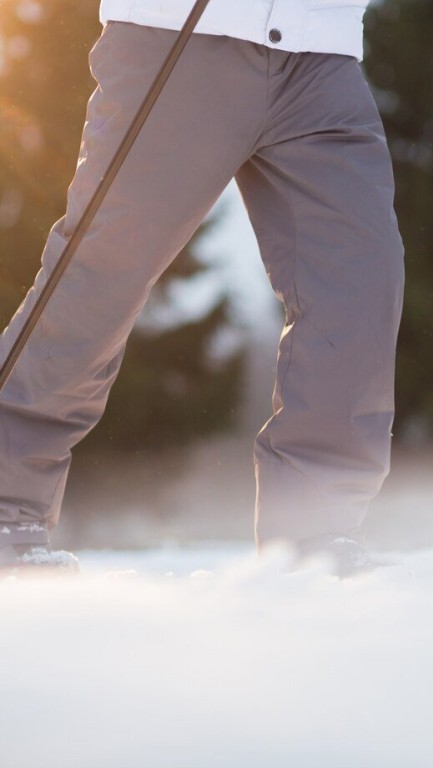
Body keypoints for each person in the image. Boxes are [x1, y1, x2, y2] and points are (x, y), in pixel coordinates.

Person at [0, 1, 404, 575]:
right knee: (104, 270)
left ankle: (315, 531)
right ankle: (5, 505)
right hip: (183, 30)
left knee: (361, 280)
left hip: (323, 51)